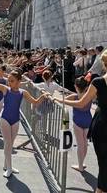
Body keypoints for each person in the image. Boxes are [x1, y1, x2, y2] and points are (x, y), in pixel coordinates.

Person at [0, 64, 48, 178]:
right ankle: (9, 168)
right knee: (7, 143)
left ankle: (6, 165)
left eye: (12, 81)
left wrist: (43, 96)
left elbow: (35, 102)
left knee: (10, 144)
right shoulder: (5, 89)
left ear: (18, 81)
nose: (9, 82)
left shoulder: (23, 92)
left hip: (16, 120)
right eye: (9, 80)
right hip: (5, 119)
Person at [54, 49, 107, 193]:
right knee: (102, 162)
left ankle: (98, 186)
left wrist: (58, 99)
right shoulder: (97, 82)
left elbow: (81, 103)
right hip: (98, 125)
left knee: (102, 162)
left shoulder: (98, 82)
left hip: (100, 125)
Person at [63, 77, 92, 172]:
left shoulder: (74, 96)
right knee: (85, 143)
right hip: (88, 120)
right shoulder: (89, 96)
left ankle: (80, 166)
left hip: (77, 121)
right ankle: (82, 162)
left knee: (80, 144)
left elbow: (63, 100)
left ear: (75, 86)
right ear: (86, 86)